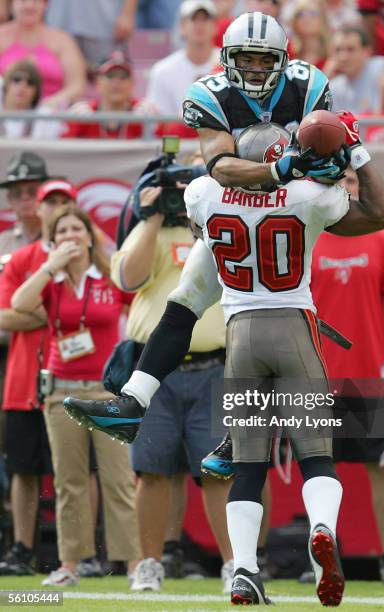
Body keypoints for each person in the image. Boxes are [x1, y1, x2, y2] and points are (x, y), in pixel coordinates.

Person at [62, 11, 351, 444]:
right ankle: (134, 404)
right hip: (237, 207)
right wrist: (283, 166)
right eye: (245, 59)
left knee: (269, 323)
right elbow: (221, 165)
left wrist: (331, 160)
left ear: (284, 59)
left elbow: (330, 159)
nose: (254, 69)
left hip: (289, 211)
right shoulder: (210, 94)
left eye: (264, 60)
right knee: (184, 304)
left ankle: (241, 440)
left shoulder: (308, 86)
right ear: (227, 58)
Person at [183, 116, 384, 605]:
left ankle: (243, 571)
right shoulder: (309, 197)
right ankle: (321, 527)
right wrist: (353, 151)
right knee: (317, 455)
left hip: (240, 334)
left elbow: (200, 217)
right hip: (293, 325)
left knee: (249, 465)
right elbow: (380, 213)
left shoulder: (205, 193)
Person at [110, 185, 233, 592]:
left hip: (215, 366)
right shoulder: (149, 231)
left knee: (220, 472)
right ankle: (148, 563)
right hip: (153, 371)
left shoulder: (220, 229)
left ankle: (237, 563)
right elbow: (129, 279)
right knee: (151, 470)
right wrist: (153, 218)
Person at [11, 205, 141, 586]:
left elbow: (141, 307)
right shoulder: (50, 282)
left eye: (76, 229)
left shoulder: (109, 277)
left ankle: (133, 564)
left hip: (106, 390)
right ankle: (70, 563)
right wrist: (50, 266)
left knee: (117, 478)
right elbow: (19, 303)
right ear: (53, 241)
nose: (70, 236)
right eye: (62, 231)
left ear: (90, 236)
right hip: (61, 392)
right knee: (69, 482)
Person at [310, 166, 384, 585]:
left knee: (380, 468)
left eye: (352, 181)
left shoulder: (383, 241)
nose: (345, 188)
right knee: (318, 469)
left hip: (371, 376)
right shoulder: (307, 238)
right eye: (338, 182)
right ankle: (324, 557)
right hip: (315, 377)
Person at [0, 175, 72, 576]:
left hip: (76, 378)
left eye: (64, 202)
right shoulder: (24, 257)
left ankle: (74, 554)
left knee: (74, 472)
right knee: (24, 469)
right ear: (40, 211)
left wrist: (31, 312)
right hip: (25, 378)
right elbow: (4, 313)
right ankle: (22, 549)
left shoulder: (88, 258)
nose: (55, 209)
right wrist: (50, 313)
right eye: (50, 202)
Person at [147, 0, 220, 139]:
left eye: (205, 18)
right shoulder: (162, 70)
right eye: (193, 18)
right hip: (178, 145)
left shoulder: (229, 64)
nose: (199, 25)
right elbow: (161, 125)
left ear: (215, 26)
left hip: (221, 144)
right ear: (181, 26)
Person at [0, 0, 86, 108]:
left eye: (36, 1)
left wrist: (49, 105)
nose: (29, 5)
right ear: (12, 4)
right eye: (23, 1)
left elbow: (77, 85)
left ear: (45, 5)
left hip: (52, 114)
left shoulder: (62, 40)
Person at [63, 51, 157, 139]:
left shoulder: (146, 112)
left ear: (132, 83)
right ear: (98, 82)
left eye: (123, 76)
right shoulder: (81, 113)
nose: (116, 82)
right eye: (110, 76)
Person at [46, 0, 138, 67]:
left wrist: (127, 14)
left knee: (106, 78)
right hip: (60, 19)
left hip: (103, 21)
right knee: (58, 80)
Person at [329, 26, 384, 114]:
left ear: (367, 52)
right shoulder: (334, 88)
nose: (343, 57)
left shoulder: (382, 69)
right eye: (338, 50)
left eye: (350, 49)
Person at [0, 59, 62, 139]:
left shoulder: (46, 117)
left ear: (36, 91)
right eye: (17, 79)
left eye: (30, 82)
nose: (23, 85)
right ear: (6, 85)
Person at [285, 0, 331, 70]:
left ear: (323, 19)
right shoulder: (287, 50)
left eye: (313, 14)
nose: (306, 18)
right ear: (295, 21)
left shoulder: (333, 53)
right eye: (301, 14)